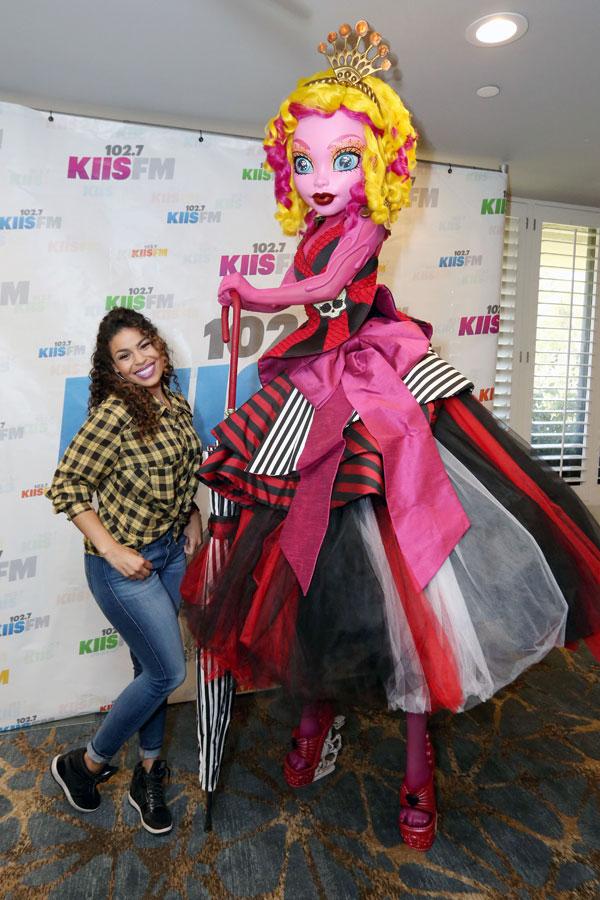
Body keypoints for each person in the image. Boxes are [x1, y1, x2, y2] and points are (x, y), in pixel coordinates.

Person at [184, 21, 600, 850]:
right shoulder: (313, 222)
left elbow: (329, 284)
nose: (321, 178)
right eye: (304, 161)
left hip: (374, 388)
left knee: (414, 594)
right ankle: (319, 714)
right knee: (315, 580)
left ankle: (417, 765)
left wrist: (253, 290)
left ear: (375, 165)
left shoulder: (364, 227)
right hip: (318, 390)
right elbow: (316, 290)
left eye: (343, 159)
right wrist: (272, 296)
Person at [46, 307, 202, 835]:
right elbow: (65, 487)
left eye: (144, 346)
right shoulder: (115, 414)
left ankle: (149, 771)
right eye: (124, 356)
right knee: (168, 672)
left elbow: (183, 473)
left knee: (150, 671)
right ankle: (86, 764)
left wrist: (192, 514)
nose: (140, 360)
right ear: (113, 369)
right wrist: (112, 549)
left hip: (168, 555)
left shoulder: (176, 404)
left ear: (158, 343)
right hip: (123, 570)